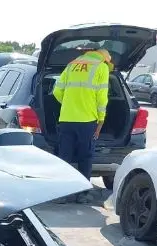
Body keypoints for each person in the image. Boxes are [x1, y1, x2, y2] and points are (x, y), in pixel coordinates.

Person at [52, 48, 114, 203]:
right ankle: (82, 194)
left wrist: (69, 105)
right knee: (85, 157)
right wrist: (101, 120)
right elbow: (102, 98)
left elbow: (57, 91)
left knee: (64, 157)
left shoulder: (72, 64)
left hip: (66, 119)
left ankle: (62, 194)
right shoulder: (101, 67)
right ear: (105, 58)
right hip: (87, 121)